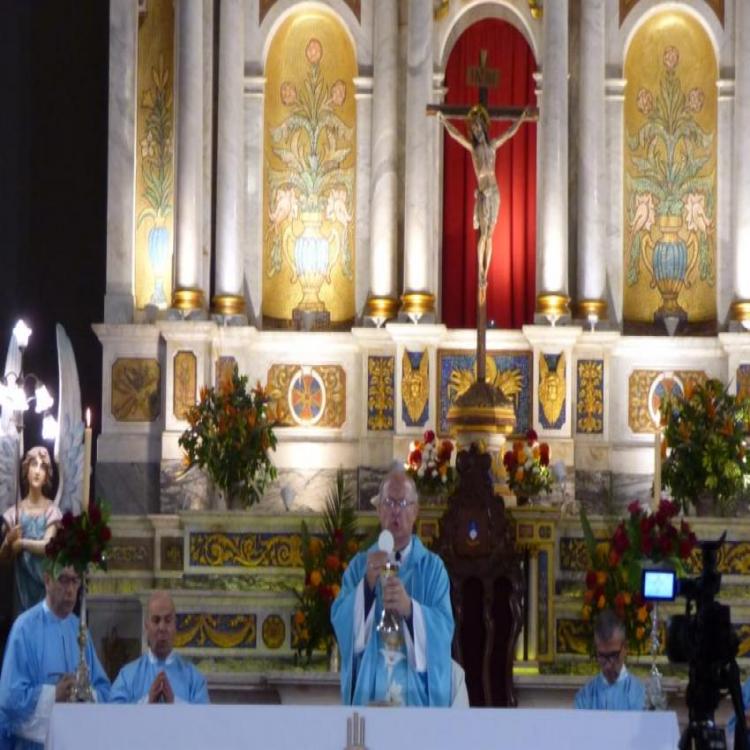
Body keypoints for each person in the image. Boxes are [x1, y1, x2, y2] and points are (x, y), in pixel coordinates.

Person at [331, 469, 454, 706]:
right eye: (388, 502)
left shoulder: (433, 569)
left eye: (403, 503)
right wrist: (366, 588)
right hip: (371, 690)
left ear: (415, 511)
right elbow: (340, 621)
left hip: (415, 699)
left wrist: (410, 609)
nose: (396, 511)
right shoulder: (360, 567)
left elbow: (444, 631)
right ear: (378, 510)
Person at [0, 564, 110, 749]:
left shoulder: (80, 629)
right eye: (63, 580)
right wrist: (53, 695)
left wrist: (84, 693)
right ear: (47, 580)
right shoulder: (25, 628)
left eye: (75, 581)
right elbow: (10, 698)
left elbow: (105, 691)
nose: (70, 590)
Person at [437, 105, 529, 302]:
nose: (477, 131)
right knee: (483, 235)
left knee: (489, 236)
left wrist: (521, 119)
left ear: (484, 129)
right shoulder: (473, 149)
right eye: (474, 129)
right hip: (483, 194)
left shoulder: (493, 146)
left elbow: (509, 133)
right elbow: (457, 137)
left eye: (479, 128)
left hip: (494, 193)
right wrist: (445, 122)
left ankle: (485, 273)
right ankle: (481, 271)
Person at [110, 591, 208, 704]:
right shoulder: (126, 677)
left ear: (175, 625)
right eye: (156, 620)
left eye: (168, 620)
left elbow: (204, 719)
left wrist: (174, 701)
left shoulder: (194, 679)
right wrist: (147, 702)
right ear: (146, 626)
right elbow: (113, 716)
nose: (162, 627)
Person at [0, 447, 62, 614]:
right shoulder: (14, 513)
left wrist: (21, 543)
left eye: (42, 467)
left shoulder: (51, 511)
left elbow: (48, 546)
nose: (37, 471)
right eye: (34, 464)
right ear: (26, 469)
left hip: (44, 589)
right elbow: (3, 558)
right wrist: (8, 540)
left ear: (47, 475)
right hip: (21, 590)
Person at [574, 609, 645, 710]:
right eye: (602, 656)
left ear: (625, 647)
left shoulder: (642, 697)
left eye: (613, 655)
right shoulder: (584, 697)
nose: (608, 665)